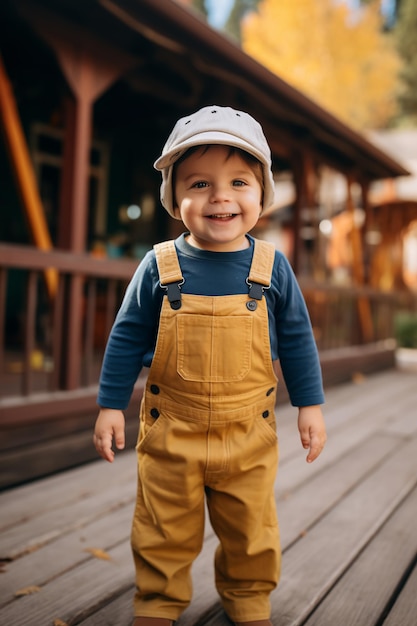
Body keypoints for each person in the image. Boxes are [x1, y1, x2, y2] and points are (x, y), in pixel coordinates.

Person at [93, 105, 327, 626]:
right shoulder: (160, 265)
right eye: (199, 183)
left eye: (239, 181)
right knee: (163, 526)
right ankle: (157, 602)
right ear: (175, 201)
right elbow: (127, 335)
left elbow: (296, 338)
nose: (220, 196)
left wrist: (310, 404)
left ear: (262, 196)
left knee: (251, 526)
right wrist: (110, 405)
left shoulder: (271, 267)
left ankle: (248, 597)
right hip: (171, 432)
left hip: (248, 434)